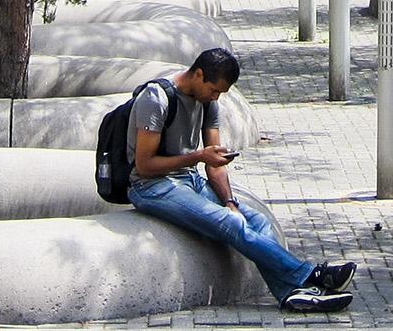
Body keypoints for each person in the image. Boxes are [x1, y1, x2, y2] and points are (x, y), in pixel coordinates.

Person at [126, 48, 357, 313]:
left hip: (188, 180)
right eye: (214, 90)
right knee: (229, 223)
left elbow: (215, 165)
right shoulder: (155, 98)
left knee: (255, 220)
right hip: (151, 186)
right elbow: (144, 166)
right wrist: (199, 156)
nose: (216, 97)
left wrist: (229, 200)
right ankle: (309, 275)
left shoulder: (208, 102)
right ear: (198, 74)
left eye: (220, 93)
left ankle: (291, 294)